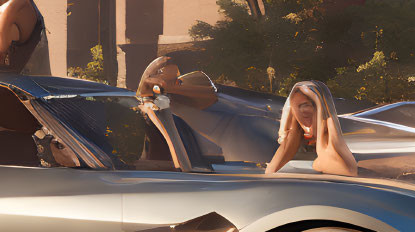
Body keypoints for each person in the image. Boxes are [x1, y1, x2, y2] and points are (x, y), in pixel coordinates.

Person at [136, 57, 276, 165]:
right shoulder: (154, 107)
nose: (178, 84)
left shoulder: (194, 101)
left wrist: (169, 87)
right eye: (173, 81)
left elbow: (212, 95)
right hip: (169, 165)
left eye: (178, 81)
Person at [266, 80, 358, 177]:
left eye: (307, 106)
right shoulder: (297, 145)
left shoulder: (330, 151)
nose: (302, 113)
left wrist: (318, 101)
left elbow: (347, 170)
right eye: (296, 109)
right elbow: (271, 171)